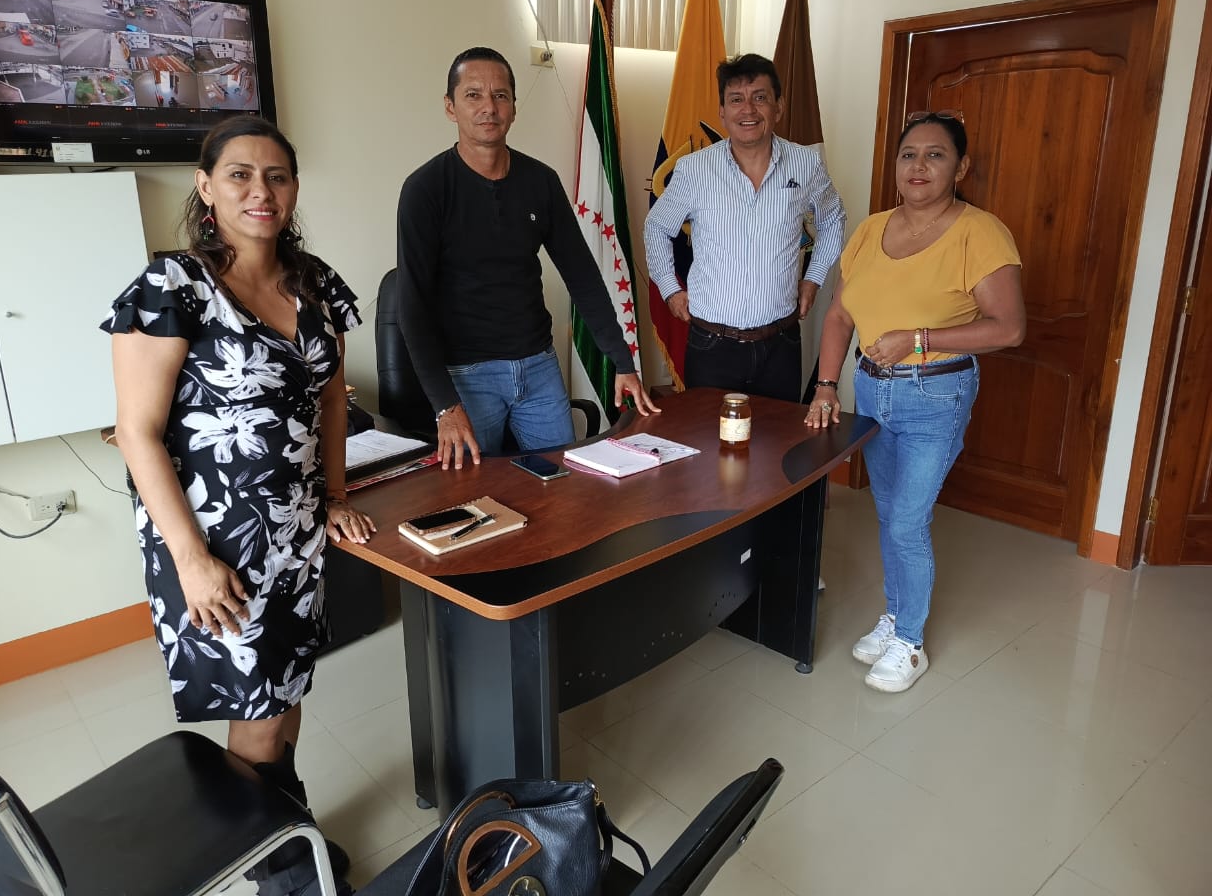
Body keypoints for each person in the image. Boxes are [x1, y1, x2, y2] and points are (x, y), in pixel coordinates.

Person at [102, 116, 370, 895]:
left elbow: (331, 400)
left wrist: (334, 496)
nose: (262, 191)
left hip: (295, 532)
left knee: (285, 695)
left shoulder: (314, 281)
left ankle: (291, 832)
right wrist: (191, 560)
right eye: (241, 175)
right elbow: (136, 432)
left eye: (277, 176)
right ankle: (282, 875)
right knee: (257, 710)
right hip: (215, 543)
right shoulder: (171, 287)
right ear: (206, 187)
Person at [804, 110, 1025, 693]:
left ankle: (910, 641)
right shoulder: (871, 230)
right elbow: (840, 315)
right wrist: (826, 385)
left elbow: (1008, 327)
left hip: (936, 392)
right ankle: (897, 612)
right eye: (908, 154)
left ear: (961, 167)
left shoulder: (980, 232)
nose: (919, 165)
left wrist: (918, 339)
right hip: (871, 389)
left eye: (935, 154)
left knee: (907, 520)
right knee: (889, 513)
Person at [397, 46, 659, 468]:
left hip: (538, 367)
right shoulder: (425, 190)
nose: (489, 107)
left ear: (514, 108)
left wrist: (622, 360)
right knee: (474, 491)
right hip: (466, 375)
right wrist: (445, 405)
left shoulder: (541, 181)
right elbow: (411, 309)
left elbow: (583, 277)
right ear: (450, 107)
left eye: (500, 95)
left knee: (562, 480)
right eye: (473, 95)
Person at [644, 53, 846, 402]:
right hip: (712, 346)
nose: (748, 109)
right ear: (722, 111)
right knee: (709, 436)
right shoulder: (695, 170)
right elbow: (657, 226)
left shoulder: (805, 163)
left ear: (778, 107)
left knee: (777, 436)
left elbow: (834, 218)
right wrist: (669, 288)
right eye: (736, 99)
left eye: (760, 97)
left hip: (780, 345)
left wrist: (813, 279)